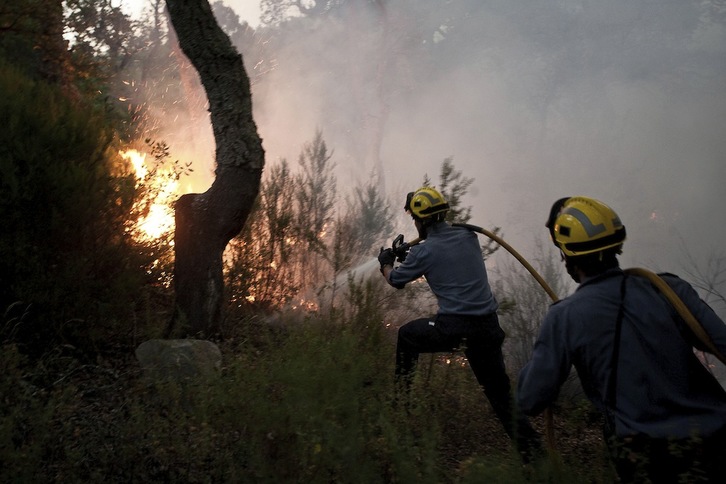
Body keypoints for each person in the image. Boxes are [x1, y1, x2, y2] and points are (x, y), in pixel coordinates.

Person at [517, 196, 726, 482]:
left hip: (647, 459)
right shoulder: (668, 289)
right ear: (617, 244)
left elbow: (530, 399)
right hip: (717, 440)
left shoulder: (564, 317)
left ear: (566, 256)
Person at [378, 186, 542, 462]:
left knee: (407, 336)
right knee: (501, 398)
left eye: (415, 219)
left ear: (421, 221)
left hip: (454, 328)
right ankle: (536, 457)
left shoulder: (425, 252)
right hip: (488, 329)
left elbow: (396, 280)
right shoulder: (469, 237)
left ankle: (401, 404)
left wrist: (386, 262)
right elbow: (448, 262)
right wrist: (411, 257)